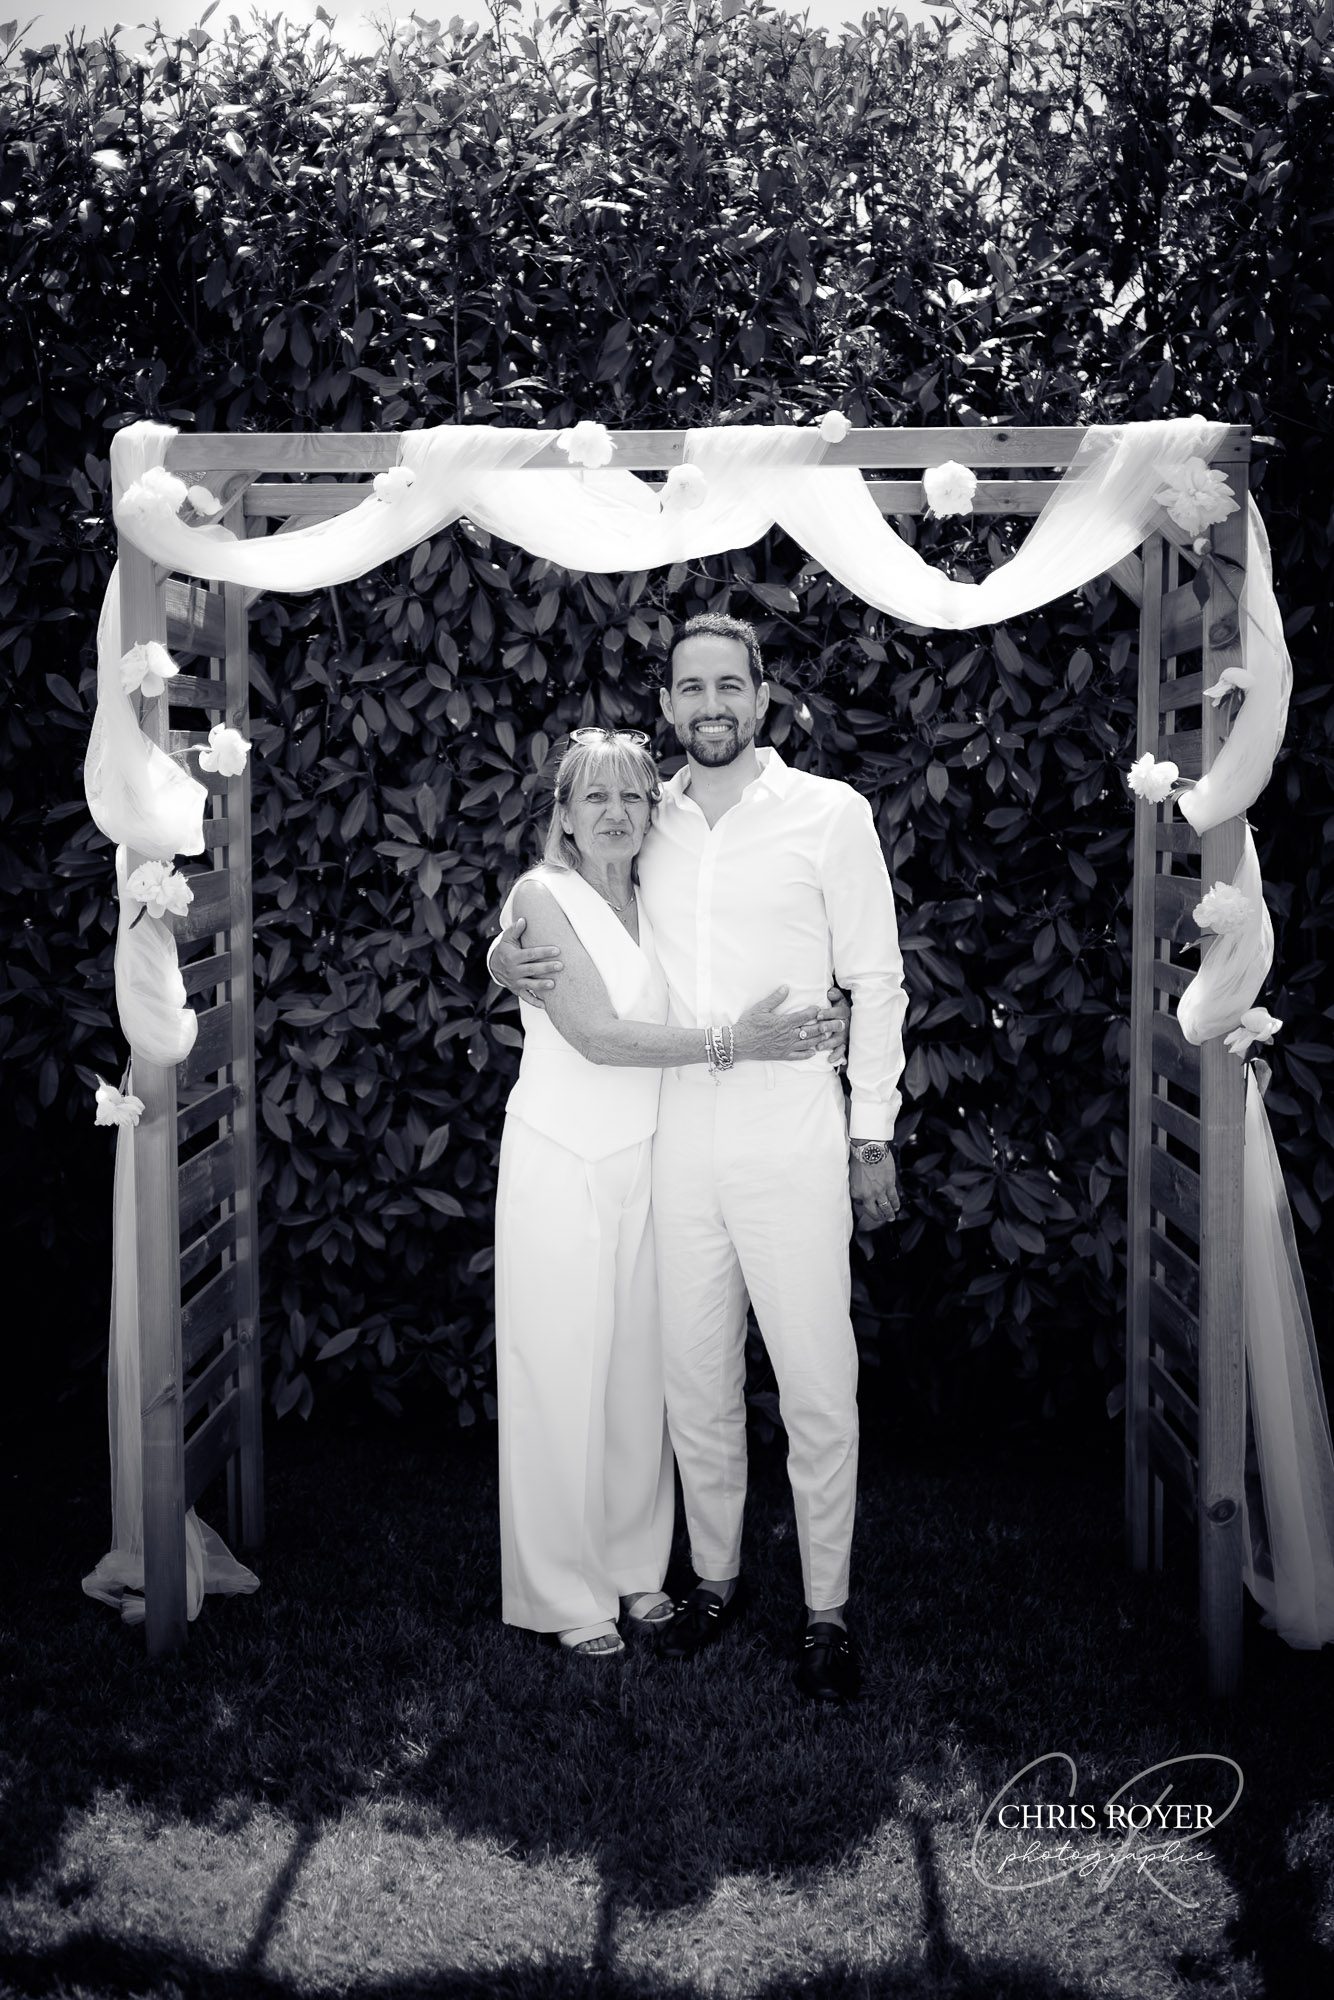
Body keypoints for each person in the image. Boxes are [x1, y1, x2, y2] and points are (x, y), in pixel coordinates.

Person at [490, 615, 907, 1701]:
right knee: (692, 1379)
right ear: (668, 704)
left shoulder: (829, 813)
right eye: (690, 687)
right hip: (673, 1140)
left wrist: (870, 1129)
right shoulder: (650, 813)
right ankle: (715, 1577)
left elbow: (876, 979)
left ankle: (825, 1610)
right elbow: (566, 904)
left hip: (791, 1134)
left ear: (762, 697)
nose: (710, 704)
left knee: (816, 1379)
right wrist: (500, 951)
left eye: (730, 685)